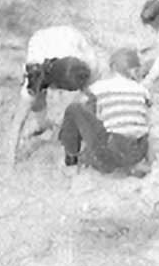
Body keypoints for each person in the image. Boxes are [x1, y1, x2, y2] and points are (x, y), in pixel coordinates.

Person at [7, 25, 103, 165]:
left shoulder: (88, 64)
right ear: (55, 86)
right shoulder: (36, 72)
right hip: (40, 42)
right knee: (35, 100)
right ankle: (41, 123)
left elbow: (94, 97)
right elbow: (17, 122)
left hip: (70, 36)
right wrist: (11, 159)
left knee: (89, 97)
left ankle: (63, 125)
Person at [59, 47, 152, 177]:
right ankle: (133, 164)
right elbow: (144, 115)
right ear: (132, 71)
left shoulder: (99, 87)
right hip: (139, 150)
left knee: (73, 109)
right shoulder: (141, 90)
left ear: (113, 68)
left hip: (113, 149)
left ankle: (71, 162)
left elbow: (80, 103)